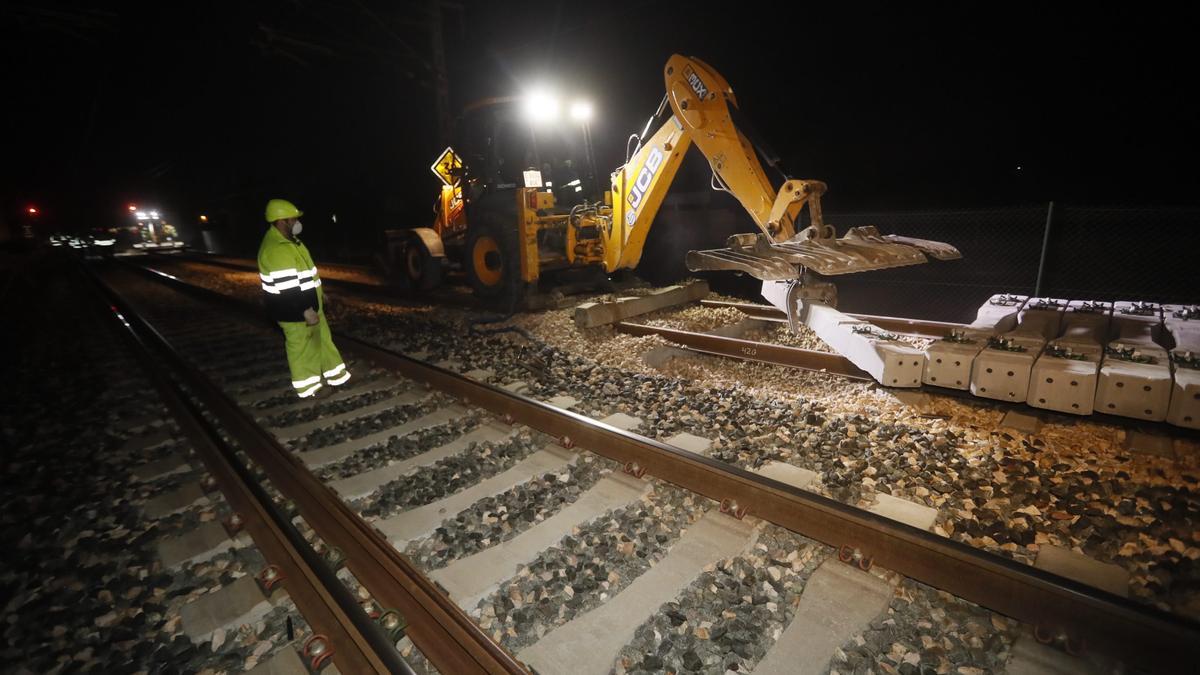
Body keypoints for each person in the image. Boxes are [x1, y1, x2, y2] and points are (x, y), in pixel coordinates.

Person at [257, 198, 350, 398]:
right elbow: (288, 289)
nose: (297, 222)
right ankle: (309, 388)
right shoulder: (277, 249)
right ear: (282, 221)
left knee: (322, 341)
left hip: (310, 305)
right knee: (302, 348)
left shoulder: (292, 242)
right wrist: (305, 310)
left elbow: (307, 275)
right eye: (294, 219)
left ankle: (336, 376)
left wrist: (320, 294)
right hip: (293, 311)